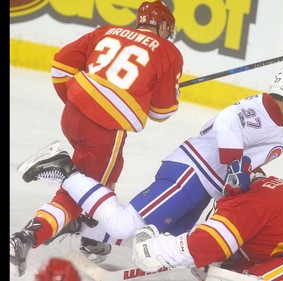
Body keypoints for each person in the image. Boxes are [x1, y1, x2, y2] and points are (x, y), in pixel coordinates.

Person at [11, 70, 283, 276]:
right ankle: (64, 167)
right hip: (192, 172)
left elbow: (245, 158)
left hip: (204, 183)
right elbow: (229, 122)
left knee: (165, 240)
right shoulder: (263, 107)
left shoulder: (276, 130)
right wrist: (234, 166)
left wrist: (239, 179)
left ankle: (83, 226)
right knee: (123, 225)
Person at [10, 0, 183, 277]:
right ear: (163, 25)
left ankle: (93, 230)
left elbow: (60, 64)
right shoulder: (168, 51)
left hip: (73, 114)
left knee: (114, 166)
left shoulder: (107, 31)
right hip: (103, 129)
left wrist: (77, 101)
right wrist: (161, 94)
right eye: (167, 29)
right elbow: (161, 113)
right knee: (78, 191)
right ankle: (27, 237)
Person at [132, 169, 283, 281]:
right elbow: (264, 238)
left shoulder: (250, 201)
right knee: (220, 272)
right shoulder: (267, 186)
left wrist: (156, 249)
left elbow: (206, 244)